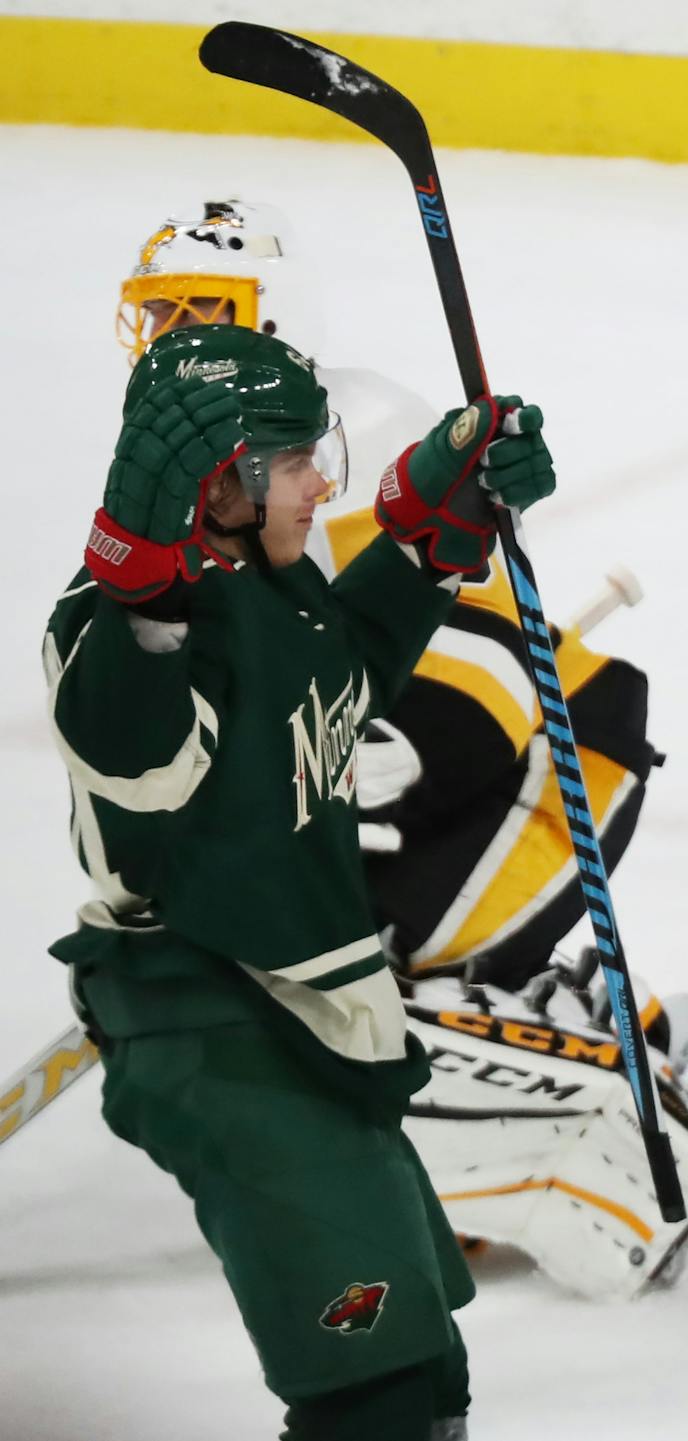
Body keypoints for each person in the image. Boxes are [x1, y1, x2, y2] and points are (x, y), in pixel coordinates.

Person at [114, 200, 688, 1292]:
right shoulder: (188, 474)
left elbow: (482, 680)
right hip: (397, 782)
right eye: (158, 314)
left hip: (543, 766)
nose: (178, 340)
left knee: (338, 979)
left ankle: (636, 1065)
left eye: (206, 311)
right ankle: (527, 1073)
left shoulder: (350, 442)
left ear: (279, 319)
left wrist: (341, 753)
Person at [47, 321, 554, 1440]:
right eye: (289, 461)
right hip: (216, 1022)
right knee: (368, 1399)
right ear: (216, 481)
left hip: (309, 1024)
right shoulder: (122, 633)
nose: (321, 479)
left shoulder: (279, 592)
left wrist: (433, 528)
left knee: (424, 1382)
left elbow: (341, 666)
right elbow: (129, 755)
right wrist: (135, 585)